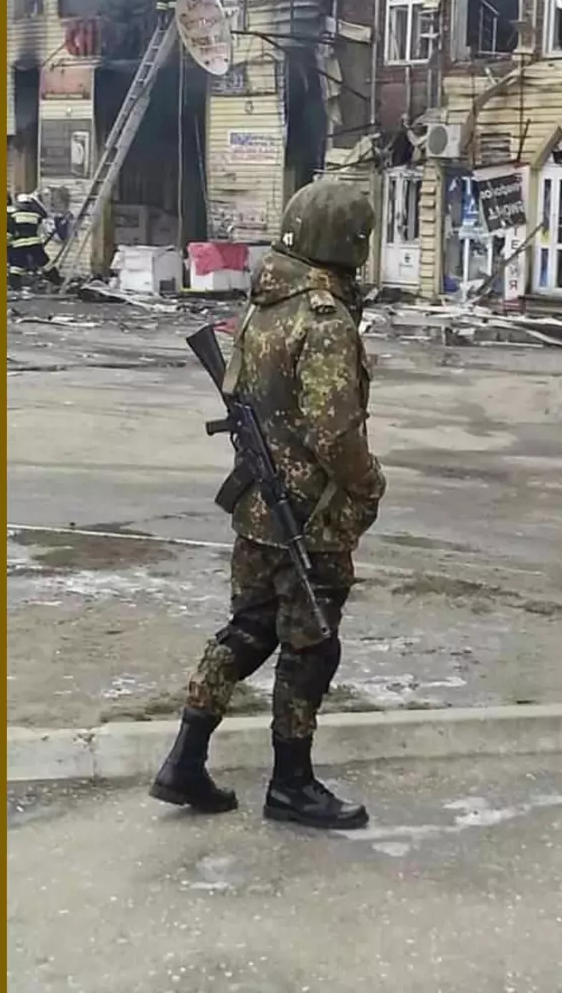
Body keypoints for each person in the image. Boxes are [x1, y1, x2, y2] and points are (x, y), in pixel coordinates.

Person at [149, 181, 386, 829]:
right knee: (311, 646)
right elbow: (333, 432)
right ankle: (292, 784)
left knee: (248, 630)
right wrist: (370, 485)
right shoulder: (323, 319)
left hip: (260, 506)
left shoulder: (263, 306)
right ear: (347, 242)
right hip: (308, 517)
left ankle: (184, 760)